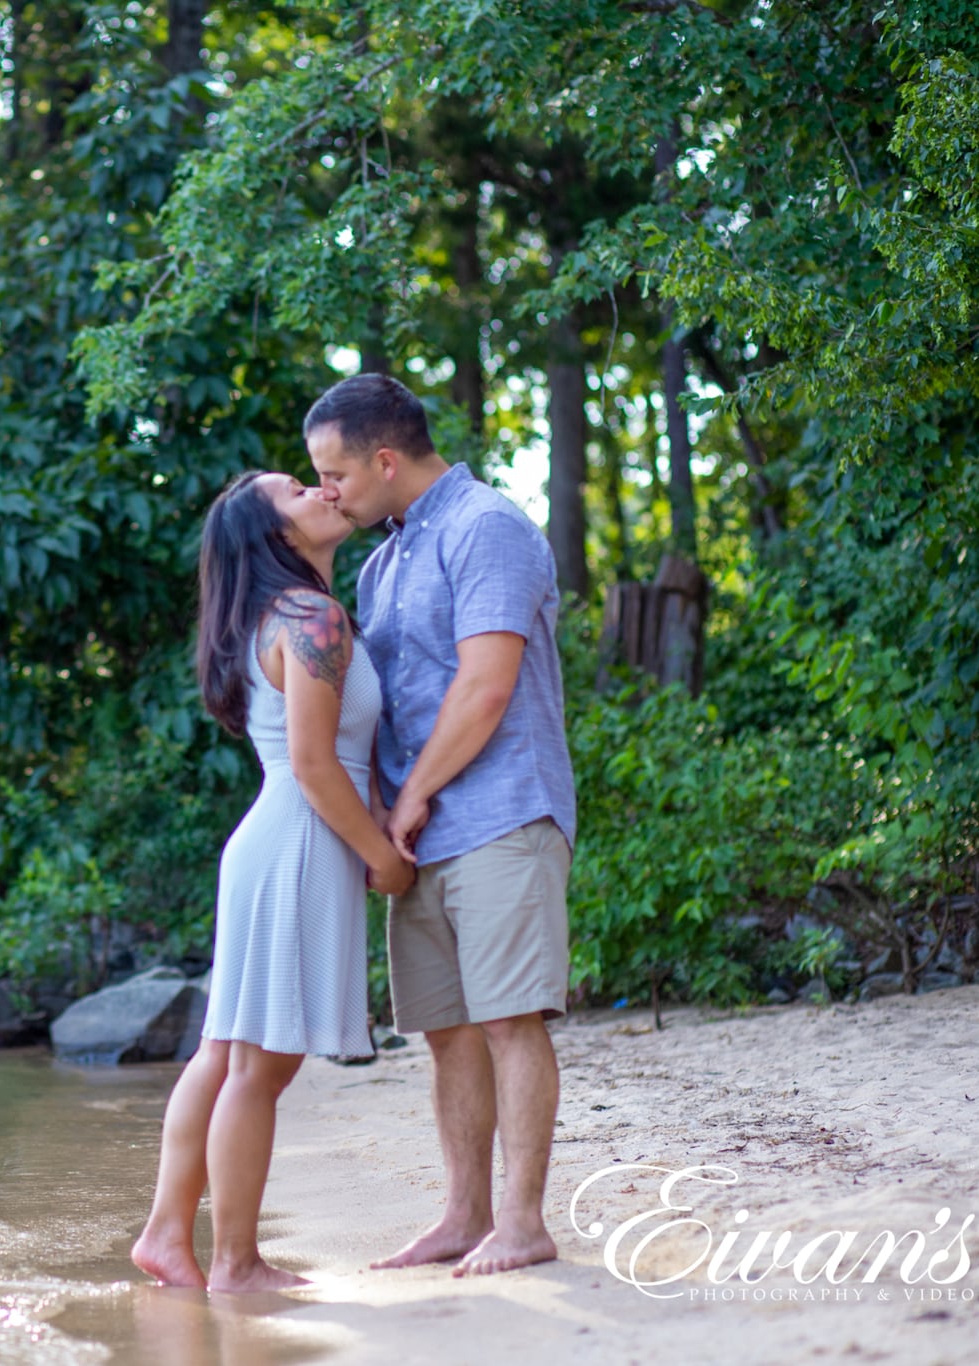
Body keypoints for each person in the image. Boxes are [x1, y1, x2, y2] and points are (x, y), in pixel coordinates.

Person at [303, 373, 577, 1278]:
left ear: (385, 460)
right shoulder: (383, 561)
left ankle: (524, 1221)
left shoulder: (485, 526)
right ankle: (462, 1216)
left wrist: (411, 794)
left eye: (334, 474)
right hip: (418, 841)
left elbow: (486, 684)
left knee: (508, 1019)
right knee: (448, 1031)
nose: (328, 492)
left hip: (500, 812)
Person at [131, 469, 415, 1294]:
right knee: (260, 1066)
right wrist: (383, 857)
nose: (323, 492)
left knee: (226, 1054)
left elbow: (326, 762)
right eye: (298, 491)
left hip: (278, 837)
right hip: (299, 839)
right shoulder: (312, 616)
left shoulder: (280, 616)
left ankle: (166, 1236)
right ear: (274, 536)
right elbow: (316, 765)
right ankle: (235, 1262)